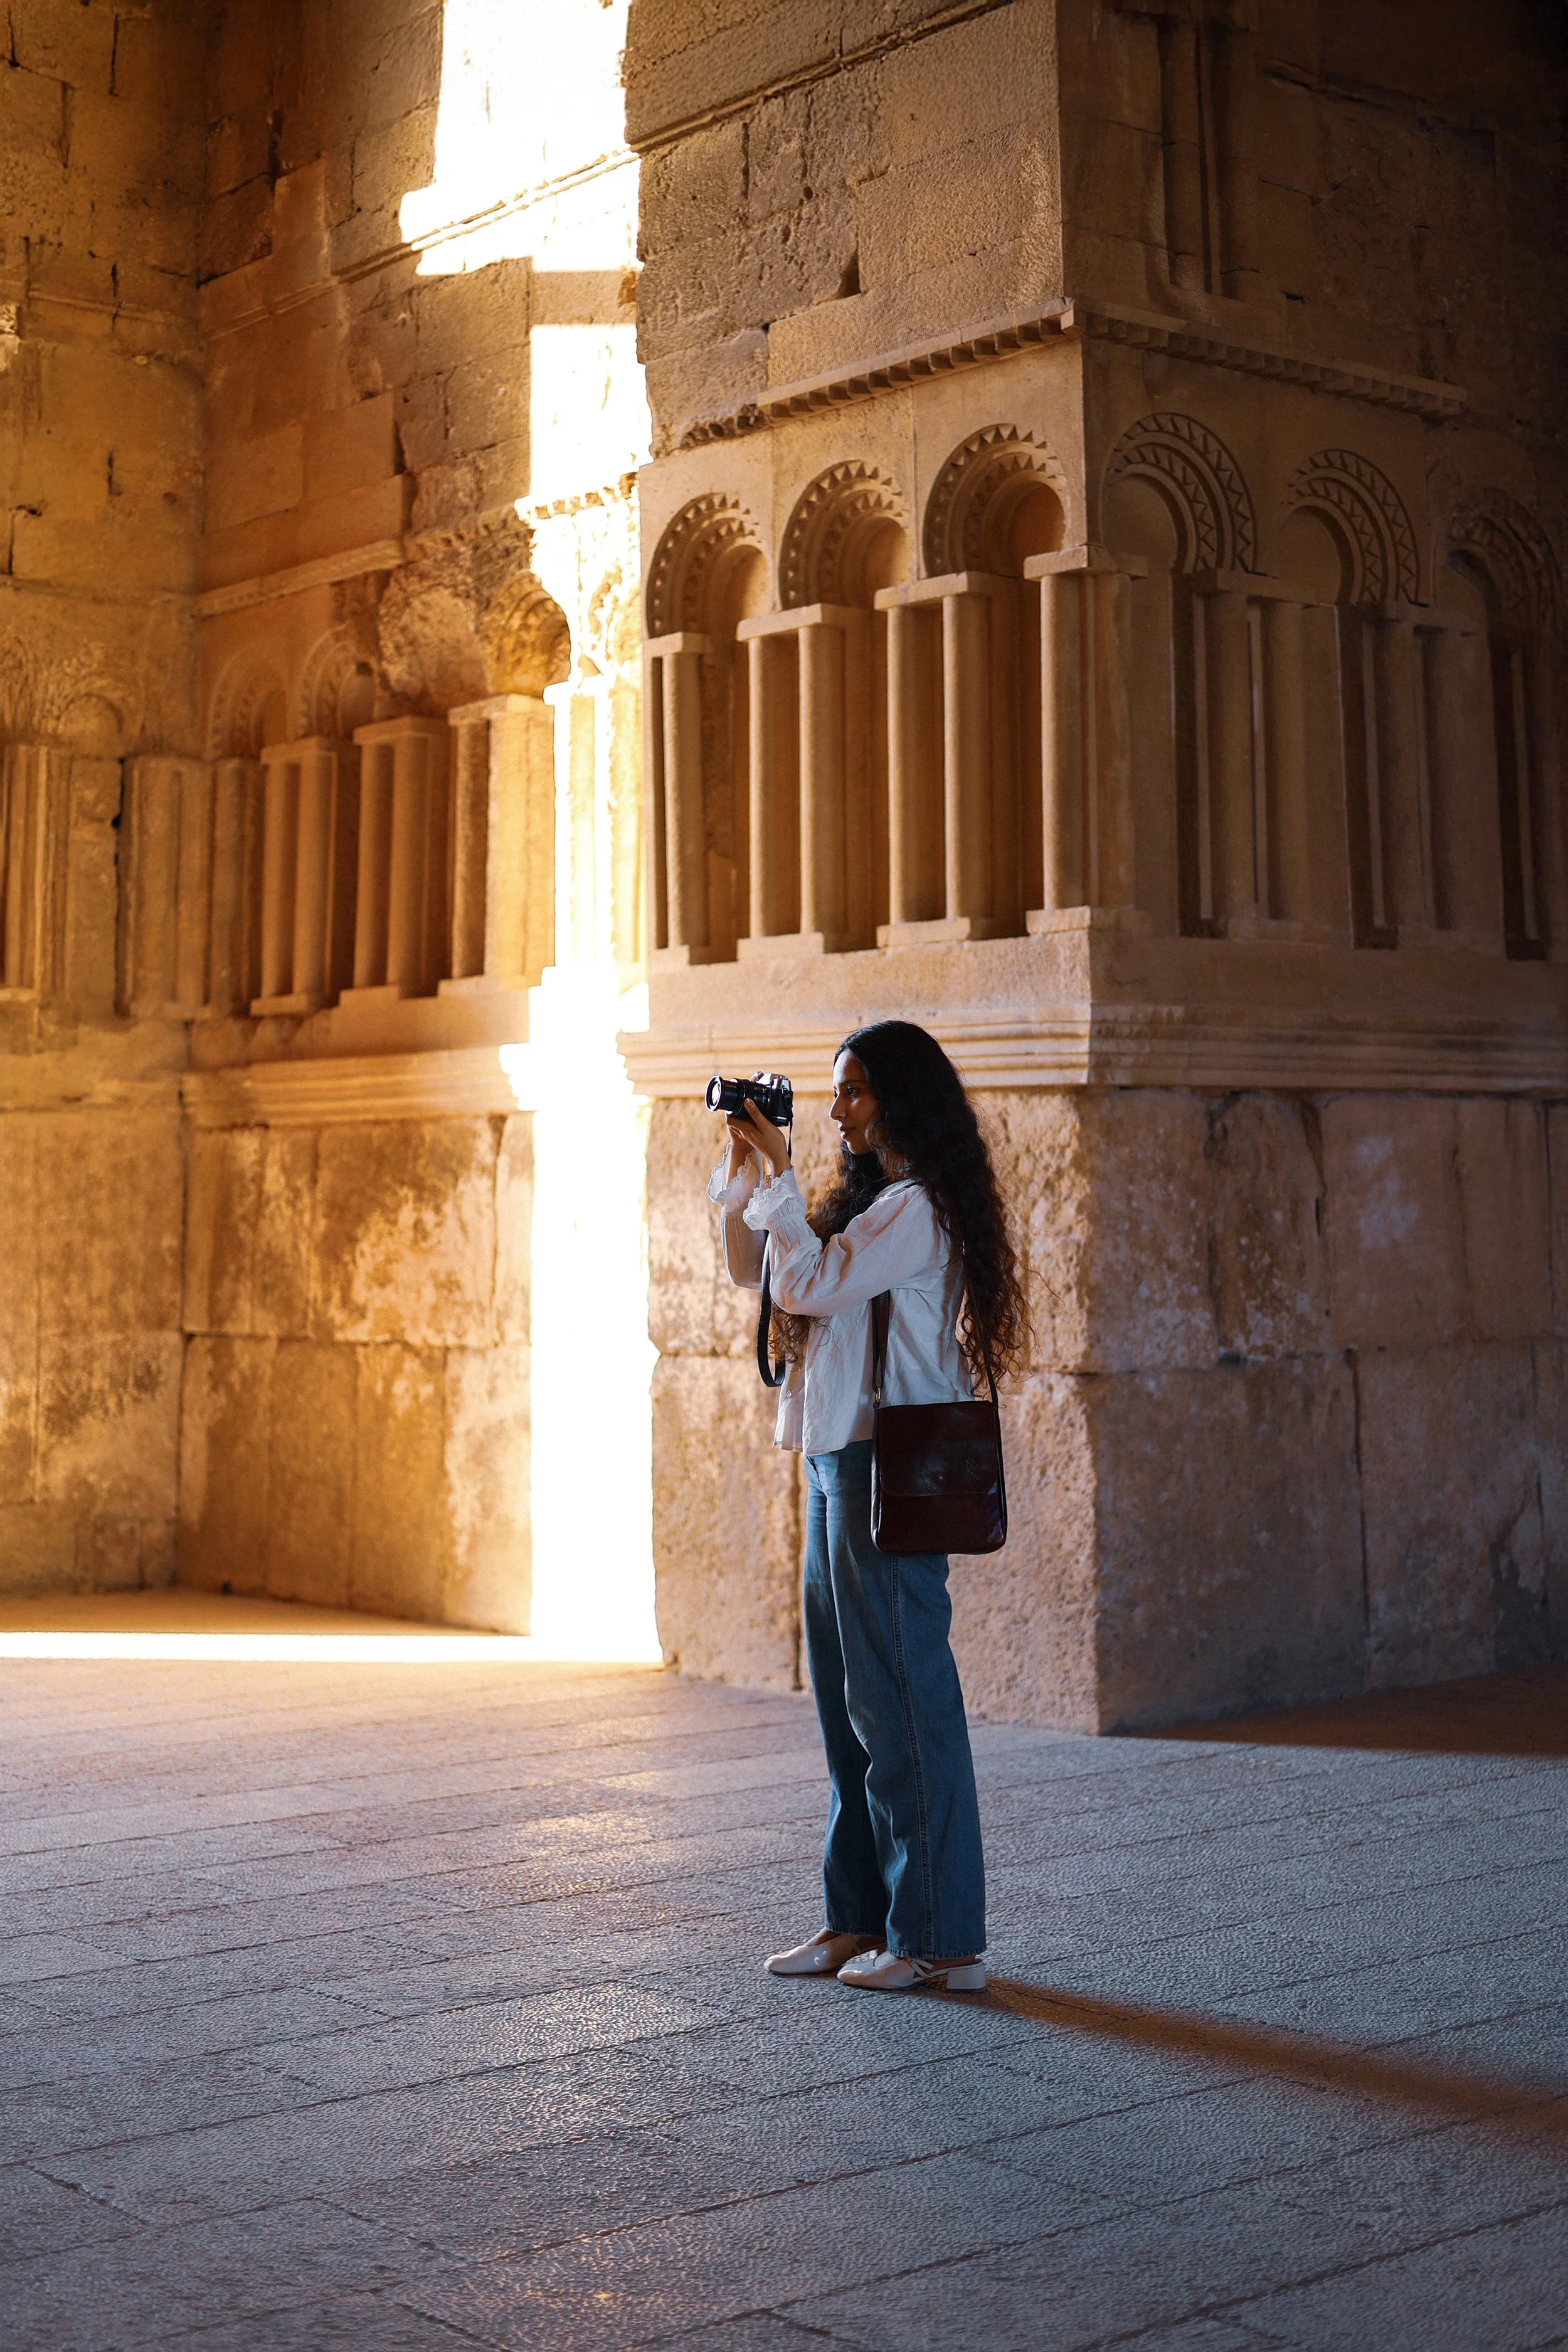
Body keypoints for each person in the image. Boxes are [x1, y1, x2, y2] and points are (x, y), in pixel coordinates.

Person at [707, 1020, 1027, 1993]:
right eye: (836, 1091)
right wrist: (746, 1172)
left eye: (854, 1091)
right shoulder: (867, 1202)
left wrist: (783, 1179)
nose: (838, 1107)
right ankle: (859, 1918)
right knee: (851, 1707)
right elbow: (750, 1271)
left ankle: (940, 1937)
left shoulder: (919, 1211)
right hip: (830, 1460)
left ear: (899, 1097)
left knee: (903, 1701)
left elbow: (805, 1280)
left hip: (881, 1466)